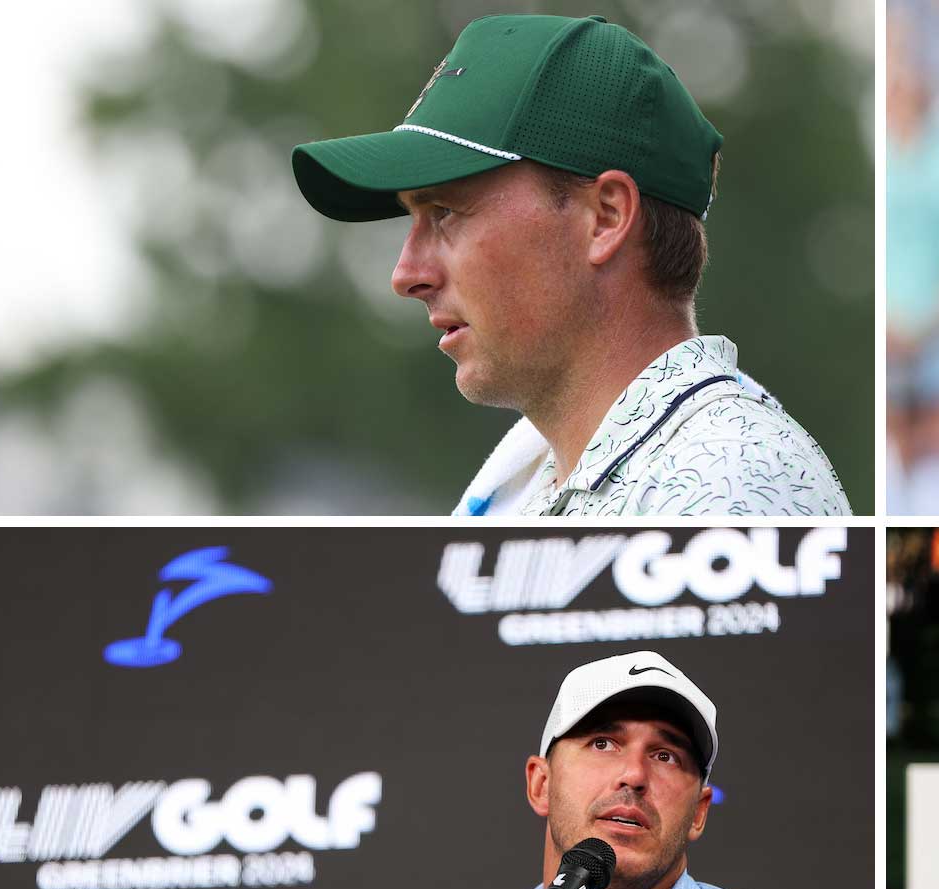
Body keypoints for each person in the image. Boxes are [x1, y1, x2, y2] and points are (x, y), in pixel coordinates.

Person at [292, 15, 849, 516]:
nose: (406, 274)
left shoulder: (727, 484)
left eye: (444, 212)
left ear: (605, 217)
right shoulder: (536, 483)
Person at [344, 651, 866, 889]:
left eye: (666, 755)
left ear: (699, 812)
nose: (634, 775)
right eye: (603, 743)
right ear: (540, 785)